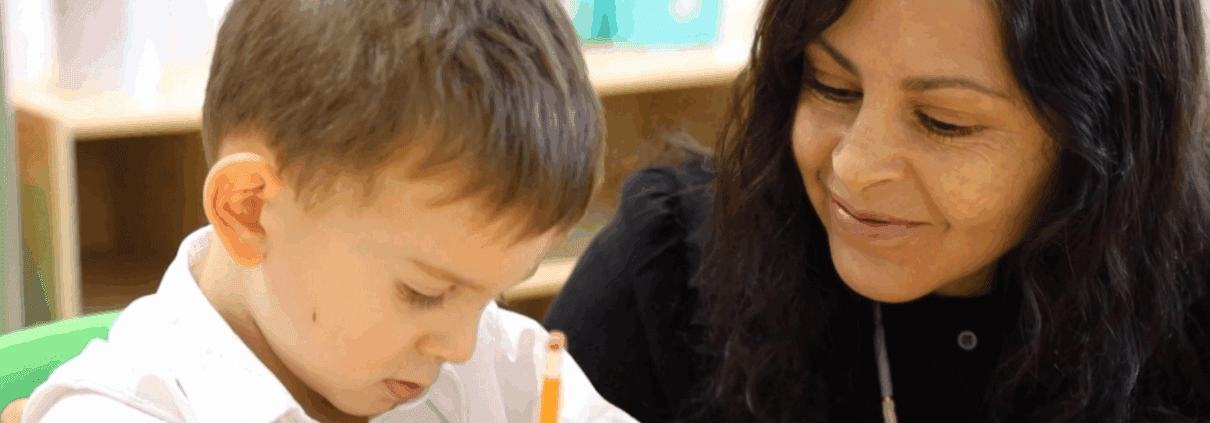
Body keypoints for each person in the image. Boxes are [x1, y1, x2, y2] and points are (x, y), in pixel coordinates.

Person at [544, 0, 1210, 422]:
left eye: (942, 122)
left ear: (1102, 141)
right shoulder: (659, 278)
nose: (854, 166)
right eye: (831, 86)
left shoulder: (1190, 311)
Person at [1, 0, 638, 422]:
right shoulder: (117, 412)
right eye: (424, 292)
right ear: (248, 210)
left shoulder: (504, 367)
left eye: (492, 295)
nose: (461, 345)